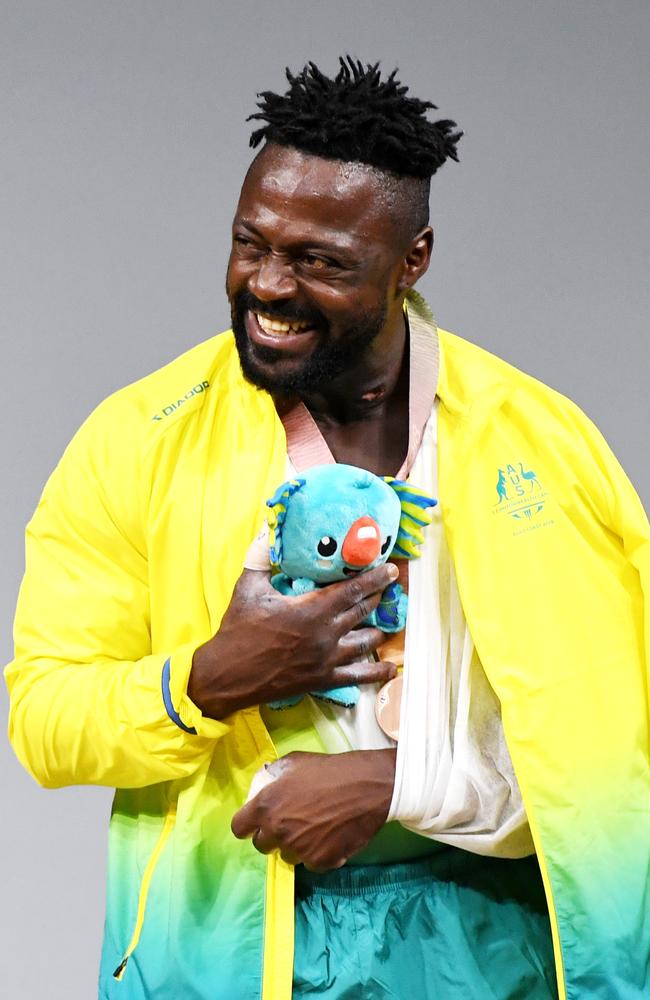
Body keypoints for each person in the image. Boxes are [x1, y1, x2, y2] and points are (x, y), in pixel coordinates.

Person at [5, 57, 649, 1000]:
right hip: (225, 944)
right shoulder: (137, 439)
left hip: (498, 938)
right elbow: (44, 720)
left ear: (412, 259)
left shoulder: (543, 444)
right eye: (249, 243)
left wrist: (405, 786)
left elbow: (617, 739)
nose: (267, 286)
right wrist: (206, 682)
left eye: (319, 261)